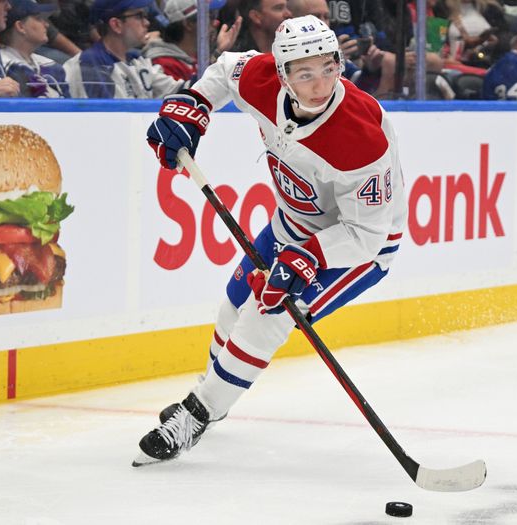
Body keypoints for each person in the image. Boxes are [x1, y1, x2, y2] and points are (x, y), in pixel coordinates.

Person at [135, 14, 407, 464]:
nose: (320, 85)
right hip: (293, 222)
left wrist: (312, 257)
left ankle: (199, 413)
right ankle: (210, 393)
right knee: (233, 303)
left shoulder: (361, 137)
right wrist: (195, 105)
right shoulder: (260, 78)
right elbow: (225, 71)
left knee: (268, 313)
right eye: (305, 74)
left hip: (356, 248)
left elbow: (368, 234)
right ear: (282, 75)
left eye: (329, 68)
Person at [64, 0, 184, 98]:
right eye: (139, 16)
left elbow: (180, 92)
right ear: (116, 25)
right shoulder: (90, 66)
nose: (147, 22)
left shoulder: (137, 60)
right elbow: (106, 120)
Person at [143, 0, 242, 81]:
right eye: (210, 16)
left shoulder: (193, 57)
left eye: (215, 15)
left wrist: (219, 51)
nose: (216, 22)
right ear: (189, 24)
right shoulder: (164, 64)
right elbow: (197, 95)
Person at [0, 0, 70, 97]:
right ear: (20, 27)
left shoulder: (52, 66)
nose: (46, 25)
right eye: (38, 19)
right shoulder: (3, 67)